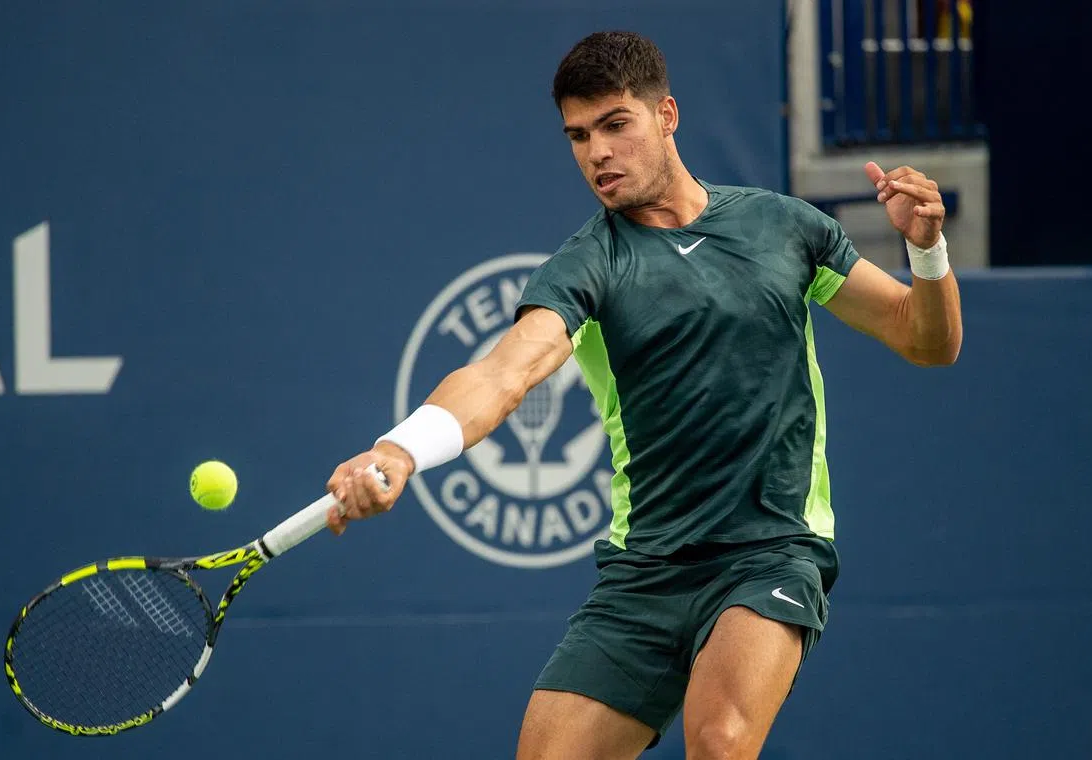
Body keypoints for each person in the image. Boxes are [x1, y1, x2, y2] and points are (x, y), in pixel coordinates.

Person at [324, 30, 962, 760]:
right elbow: (504, 375)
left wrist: (926, 252)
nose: (596, 152)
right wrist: (401, 449)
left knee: (720, 742)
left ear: (667, 115)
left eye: (614, 124)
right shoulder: (588, 265)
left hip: (771, 548)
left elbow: (927, 340)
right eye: (578, 135)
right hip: (645, 571)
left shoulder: (785, 227)